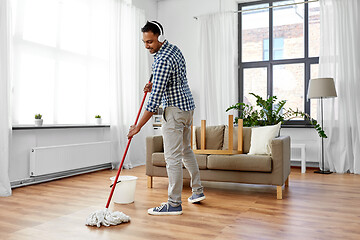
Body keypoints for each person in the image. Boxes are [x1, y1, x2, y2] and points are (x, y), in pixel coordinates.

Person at [127, 21, 205, 215]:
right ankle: (197, 191)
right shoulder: (173, 49)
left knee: (172, 158)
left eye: (150, 42)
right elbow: (174, 79)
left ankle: (174, 203)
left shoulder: (161, 60)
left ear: (159, 37)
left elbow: (153, 104)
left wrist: (137, 126)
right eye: (144, 42)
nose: (147, 46)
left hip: (174, 111)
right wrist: (153, 85)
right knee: (186, 151)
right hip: (187, 108)